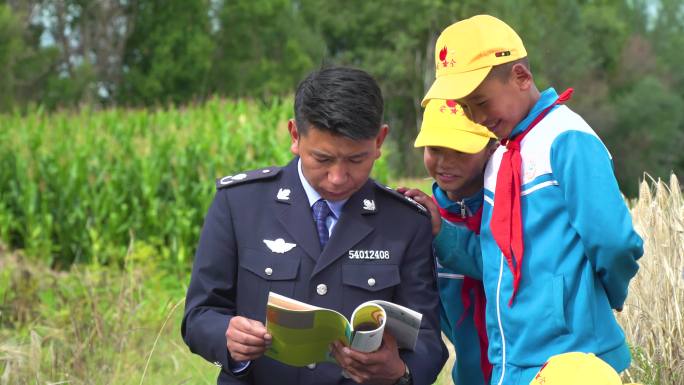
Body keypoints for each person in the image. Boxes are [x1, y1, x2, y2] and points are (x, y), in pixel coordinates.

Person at [181, 66, 447, 385]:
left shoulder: (404, 221)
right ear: (295, 136)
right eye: (322, 159)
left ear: (379, 141)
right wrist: (227, 338)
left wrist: (399, 373)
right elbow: (199, 315)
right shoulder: (240, 204)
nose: (338, 177)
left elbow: (429, 340)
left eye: (356, 160)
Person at [416, 14, 644, 385]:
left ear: (521, 77)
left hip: (573, 361)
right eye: (466, 108)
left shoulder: (567, 139)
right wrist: (443, 233)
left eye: (480, 102)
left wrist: (605, 297)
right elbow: (495, 258)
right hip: (513, 362)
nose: (476, 117)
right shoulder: (501, 158)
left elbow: (614, 241)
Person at [402, 98, 497, 385]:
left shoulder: (510, 207)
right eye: (435, 149)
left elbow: (505, 264)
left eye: (460, 150)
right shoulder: (419, 219)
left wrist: (443, 233)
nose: (445, 162)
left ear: (492, 147)